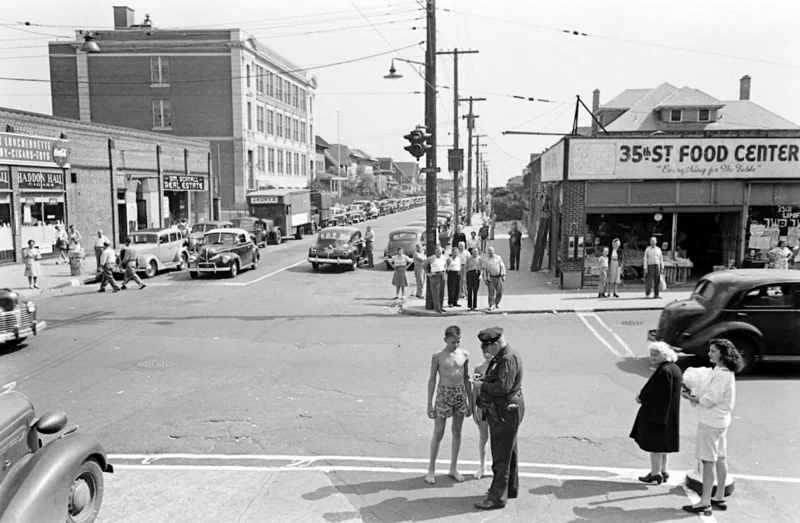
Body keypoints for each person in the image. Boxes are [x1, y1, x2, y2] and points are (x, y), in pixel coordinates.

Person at [681, 339, 744, 515]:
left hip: (710, 421)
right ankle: (719, 496)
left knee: (708, 460)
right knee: (721, 457)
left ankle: (705, 501)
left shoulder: (720, 374)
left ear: (723, 354)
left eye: (713, 351)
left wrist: (692, 398)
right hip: (721, 420)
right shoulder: (725, 372)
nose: (709, 354)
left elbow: (710, 399)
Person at [473, 327, 524, 511]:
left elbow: (501, 388)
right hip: (507, 409)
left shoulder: (507, 358)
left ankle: (496, 498)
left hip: (505, 410)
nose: (486, 353)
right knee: (509, 451)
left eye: (488, 349)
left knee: (501, 454)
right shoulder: (502, 355)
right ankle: (509, 488)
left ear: (495, 344)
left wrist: (481, 385)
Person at [630, 342, 682, 485]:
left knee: (655, 447)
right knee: (663, 446)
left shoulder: (664, 371)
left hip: (658, 415)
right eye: (651, 354)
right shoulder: (674, 368)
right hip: (668, 414)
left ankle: (655, 474)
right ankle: (664, 471)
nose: (652, 357)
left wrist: (641, 397)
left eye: (656, 354)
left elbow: (653, 392)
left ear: (664, 354)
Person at [425, 325, 472, 484]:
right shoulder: (438, 356)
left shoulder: (464, 354)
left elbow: (466, 378)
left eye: (458, 342)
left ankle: (453, 467)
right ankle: (431, 469)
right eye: (453, 342)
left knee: (457, 432)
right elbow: (432, 379)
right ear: (445, 340)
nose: (456, 345)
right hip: (443, 393)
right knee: (438, 432)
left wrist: (470, 401)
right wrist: (429, 404)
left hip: (459, 393)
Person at [472, 340, 493, 480]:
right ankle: (482, 466)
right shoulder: (478, 369)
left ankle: (497, 467)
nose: (487, 355)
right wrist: (474, 409)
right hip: (482, 407)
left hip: (496, 408)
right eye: (484, 352)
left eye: (489, 351)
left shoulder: (499, 367)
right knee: (483, 437)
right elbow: (475, 389)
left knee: (497, 439)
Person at [483, 246, 506, 311]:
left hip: (498, 277)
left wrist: (503, 275)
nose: (490, 252)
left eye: (491, 251)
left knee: (500, 291)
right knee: (491, 292)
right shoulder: (486, 260)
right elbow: (484, 270)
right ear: (488, 252)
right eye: (489, 251)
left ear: (494, 251)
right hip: (490, 277)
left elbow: (502, 266)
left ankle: (496, 302)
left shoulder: (498, 258)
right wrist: (485, 279)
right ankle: (491, 304)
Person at [424, 246, 447, 313]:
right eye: (437, 251)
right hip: (435, 275)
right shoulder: (431, 258)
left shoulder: (443, 257)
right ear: (435, 252)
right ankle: (437, 308)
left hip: (442, 274)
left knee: (442, 292)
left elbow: (445, 264)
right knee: (436, 292)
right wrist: (428, 273)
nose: (439, 252)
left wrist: (444, 270)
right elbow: (424, 265)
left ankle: (441, 307)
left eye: (440, 251)